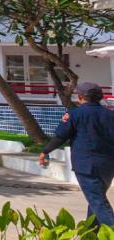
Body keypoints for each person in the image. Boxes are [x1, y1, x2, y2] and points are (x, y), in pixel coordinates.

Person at [39, 82, 114, 227]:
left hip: (86, 165)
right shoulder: (110, 115)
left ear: (80, 97)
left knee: (97, 201)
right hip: (108, 165)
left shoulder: (75, 114)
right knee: (96, 199)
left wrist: (45, 151)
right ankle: (91, 234)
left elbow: (61, 137)